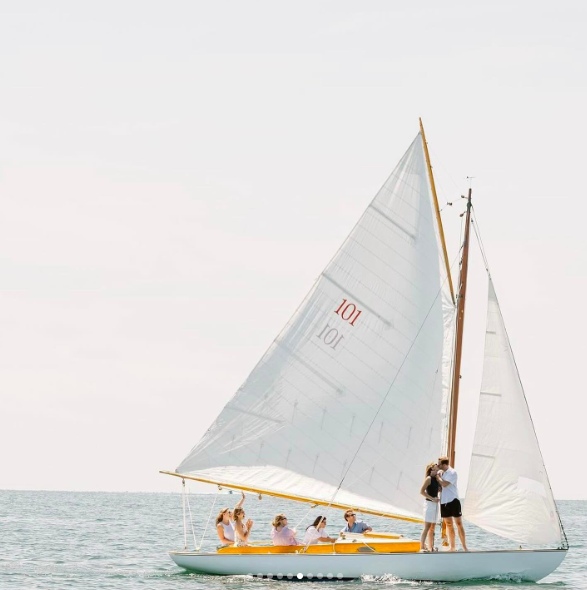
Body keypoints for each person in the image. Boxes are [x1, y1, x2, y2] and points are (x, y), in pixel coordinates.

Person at [437, 456, 469, 552]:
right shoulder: (441, 473)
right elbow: (441, 487)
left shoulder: (452, 472)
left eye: (439, 464)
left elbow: (445, 484)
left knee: (459, 524)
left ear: (445, 464)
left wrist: (438, 477)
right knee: (449, 525)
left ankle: (464, 547)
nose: (438, 465)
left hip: (453, 500)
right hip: (444, 502)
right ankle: (452, 547)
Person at [419, 462, 440, 551]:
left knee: (432, 527)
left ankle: (431, 546)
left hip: (435, 505)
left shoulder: (436, 479)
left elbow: (438, 489)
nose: (437, 471)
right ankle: (422, 546)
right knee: (427, 527)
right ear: (431, 470)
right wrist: (432, 499)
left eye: (437, 470)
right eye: (435, 470)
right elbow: (422, 491)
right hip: (429, 504)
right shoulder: (428, 479)